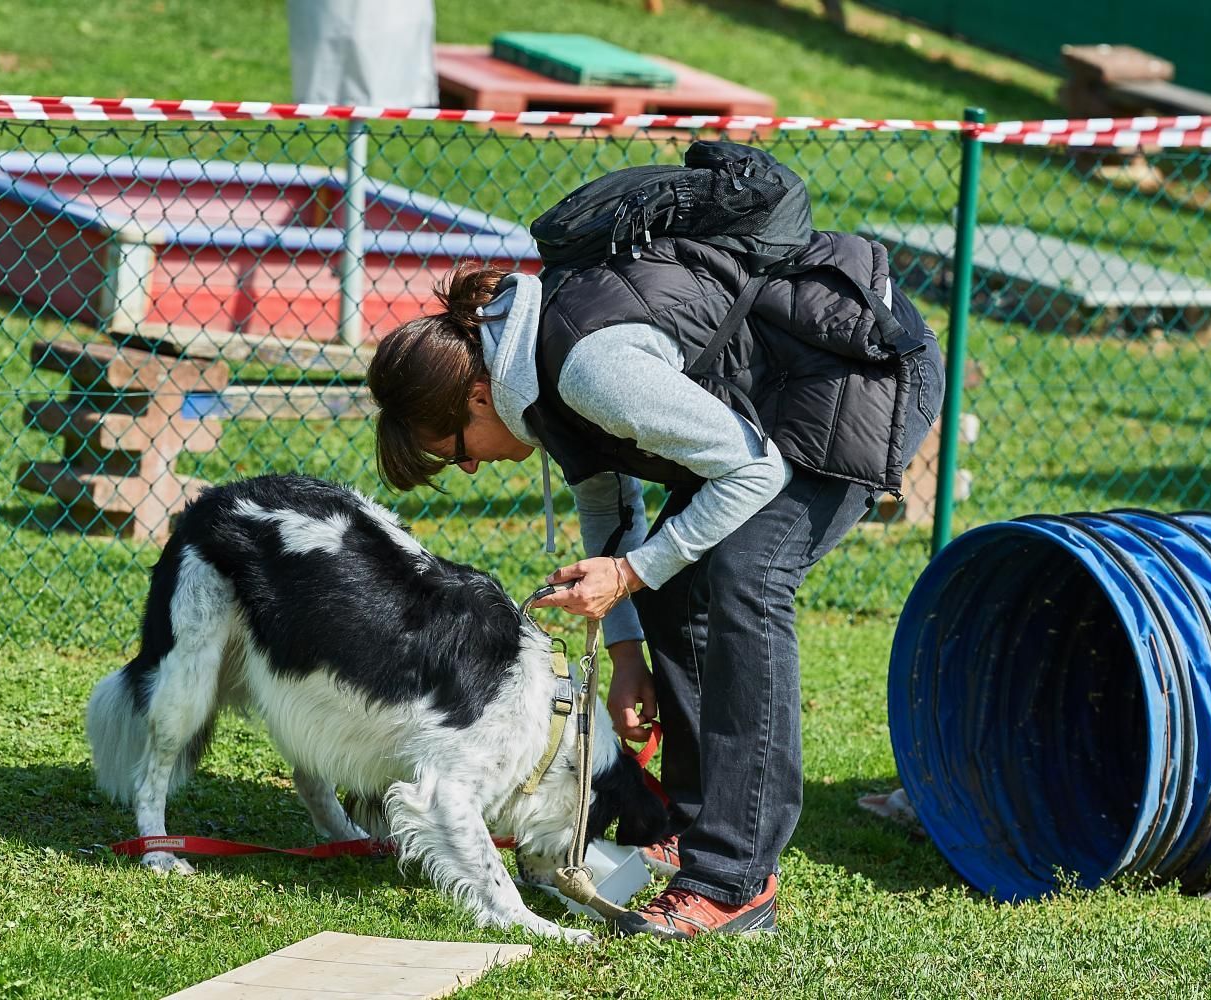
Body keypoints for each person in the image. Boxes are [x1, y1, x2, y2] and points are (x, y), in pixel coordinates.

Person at [365, 229, 945, 939]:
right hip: (784, 395)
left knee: (744, 577)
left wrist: (632, 571)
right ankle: (697, 820)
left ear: (479, 396)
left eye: (450, 451)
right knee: (676, 580)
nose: (469, 469)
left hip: (860, 378)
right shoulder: (538, 371)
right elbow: (608, 505)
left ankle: (735, 882)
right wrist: (627, 655)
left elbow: (754, 473)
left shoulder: (585, 369)